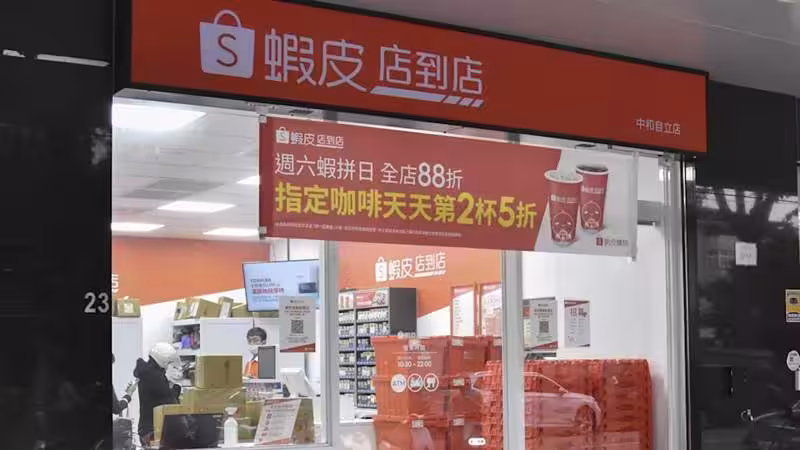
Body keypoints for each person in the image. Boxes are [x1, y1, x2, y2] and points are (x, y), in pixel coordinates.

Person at [134, 343, 182, 446]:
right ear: (163, 361)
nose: (169, 366)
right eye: (169, 363)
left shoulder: (147, 373)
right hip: (154, 430)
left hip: (146, 429)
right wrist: (176, 388)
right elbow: (169, 403)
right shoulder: (156, 377)